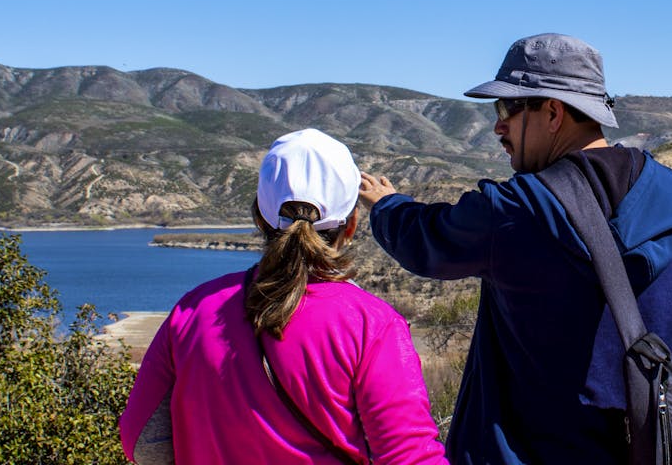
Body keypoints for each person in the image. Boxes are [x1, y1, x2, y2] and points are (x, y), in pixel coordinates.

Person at [360, 33, 672, 465]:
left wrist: (386, 206)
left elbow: (424, 239)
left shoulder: (515, 210)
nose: (498, 125)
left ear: (553, 112)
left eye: (508, 108)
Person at [120, 128, 447, 465]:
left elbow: (142, 441)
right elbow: (410, 456)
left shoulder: (194, 309)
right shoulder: (371, 324)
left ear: (260, 218)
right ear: (351, 225)